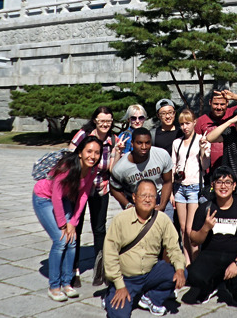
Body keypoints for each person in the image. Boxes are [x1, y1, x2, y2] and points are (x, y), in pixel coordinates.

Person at [103, 179, 186, 318]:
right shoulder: (121, 220)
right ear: (134, 197)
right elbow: (110, 254)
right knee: (119, 314)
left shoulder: (162, 219)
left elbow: (174, 248)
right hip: (126, 278)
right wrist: (119, 285)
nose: (148, 199)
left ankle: (151, 298)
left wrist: (179, 269)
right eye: (143, 195)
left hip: (150, 273)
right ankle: (111, 293)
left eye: (152, 196)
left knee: (179, 272)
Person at [33, 136, 102, 301]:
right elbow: (55, 195)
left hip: (65, 199)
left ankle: (66, 283)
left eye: (97, 153)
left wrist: (73, 222)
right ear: (80, 153)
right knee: (60, 240)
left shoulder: (92, 170)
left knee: (72, 240)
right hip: (43, 198)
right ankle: (54, 286)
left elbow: (83, 196)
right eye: (89, 151)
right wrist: (63, 224)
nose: (93, 156)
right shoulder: (67, 166)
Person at [184, 166, 237, 308]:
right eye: (219, 182)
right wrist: (205, 228)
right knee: (193, 276)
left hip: (234, 256)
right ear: (212, 185)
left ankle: (233, 287)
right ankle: (210, 285)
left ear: (234, 186)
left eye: (228, 182)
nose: (223, 186)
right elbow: (194, 240)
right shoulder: (205, 208)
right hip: (210, 255)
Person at [68, 106, 123, 287]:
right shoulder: (83, 135)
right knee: (76, 227)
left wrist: (117, 153)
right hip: (80, 188)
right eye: (101, 121)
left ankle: (100, 268)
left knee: (99, 229)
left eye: (108, 121)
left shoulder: (113, 139)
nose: (105, 124)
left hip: (100, 188)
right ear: (95, 121)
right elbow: (70, 156)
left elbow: (111, 169)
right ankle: (73, 269)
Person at [110, 127, 174, 222]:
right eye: (139, 143)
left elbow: (167, 181)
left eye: (147, 143)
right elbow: (114, 188)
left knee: (166, 233)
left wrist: (162, 205)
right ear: (132, 143)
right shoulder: (121, 168)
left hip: (159, 197)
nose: (144, 147)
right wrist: (128, 205)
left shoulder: (162, 155)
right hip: (136, 203)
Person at [171, 109, 210, 264]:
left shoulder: (202, 139)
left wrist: (202, 149)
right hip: (179, 187)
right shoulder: (177, 142)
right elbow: (173, 165)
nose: (185, 127)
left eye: (188, 123)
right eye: (182, 124)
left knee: (190, 229)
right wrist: (172, 192)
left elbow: (206, 165)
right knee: (182, 229)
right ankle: (187, 262)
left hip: (195, 187)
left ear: (195, 123)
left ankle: (196, 261)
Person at [195, 89, 237, 174]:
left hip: (233, 169)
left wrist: (233, 96)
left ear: (227, 103)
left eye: (222, 104)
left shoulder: (233, 114)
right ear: (210, 102)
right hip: (209, 171)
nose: (219, 107)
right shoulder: (201, 121)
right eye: (216, 104)